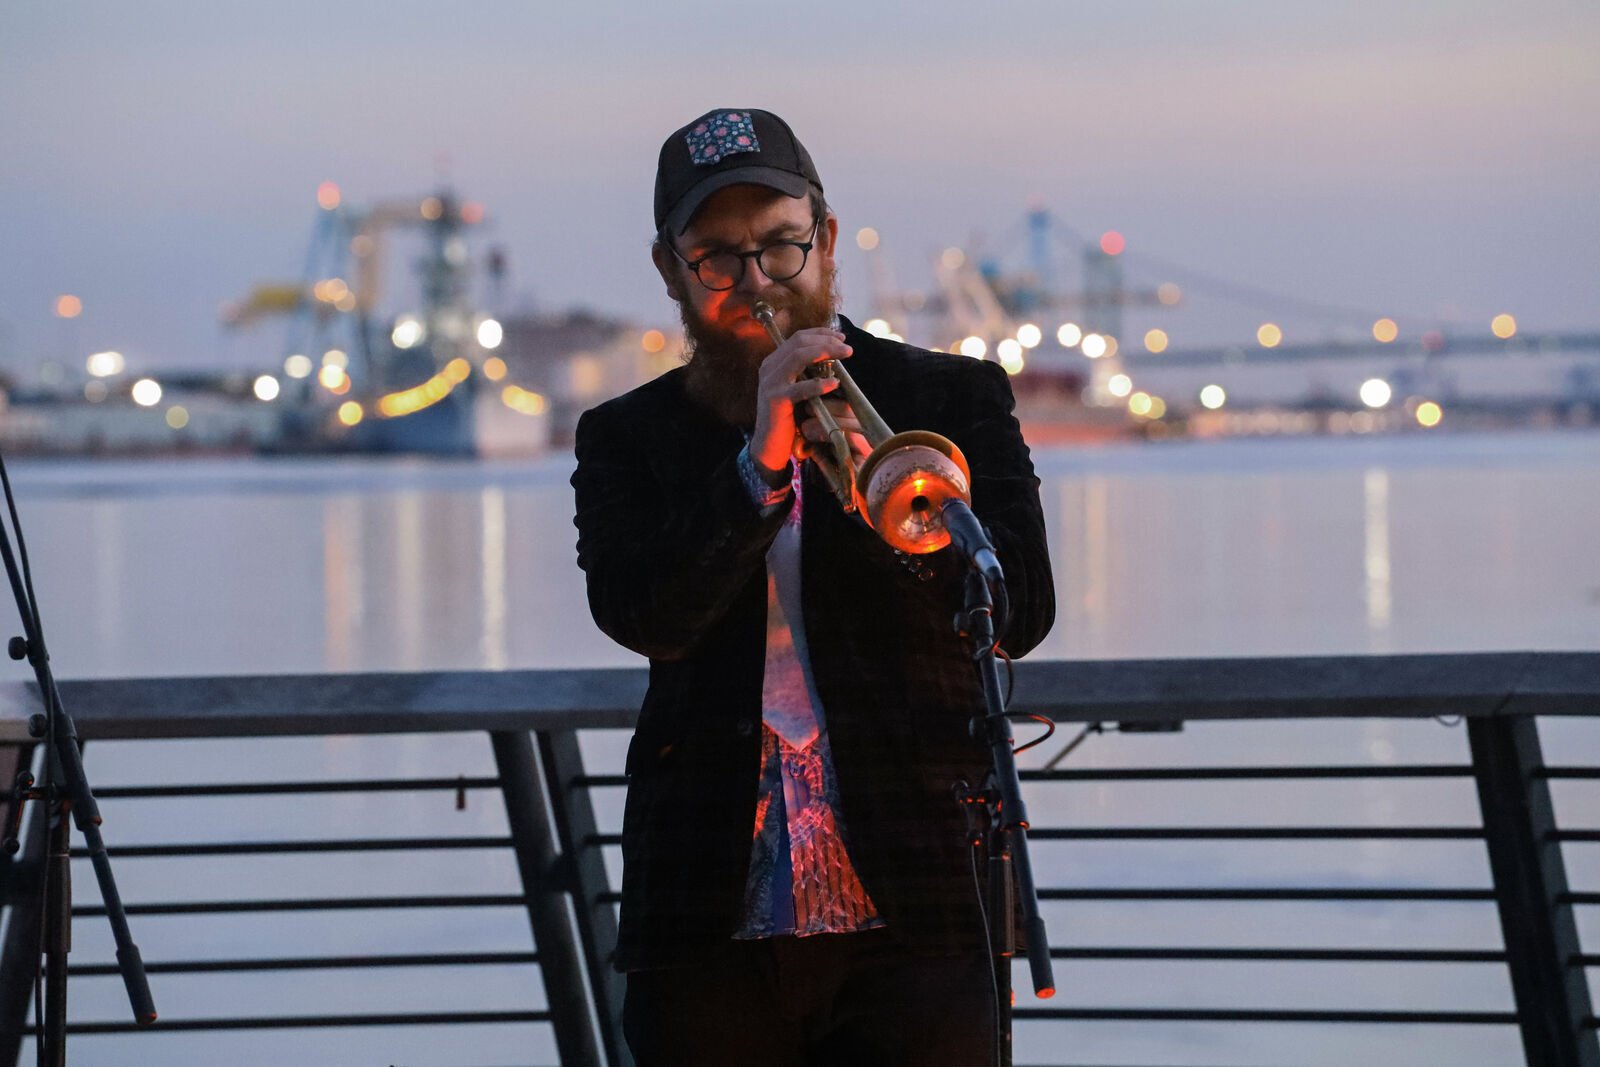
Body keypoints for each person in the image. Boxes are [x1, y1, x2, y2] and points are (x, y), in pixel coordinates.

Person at [571, 107, 1055, 1065]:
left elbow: (1024, 608)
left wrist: (883, 493)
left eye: (780, 248)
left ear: (826, 241)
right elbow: (645, 616)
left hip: (918, 904)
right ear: (670, 270)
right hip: (704, 920)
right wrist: (760, 461)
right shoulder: (627, 437)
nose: (756, 284)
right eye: (717, 258)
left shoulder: (953, 399)